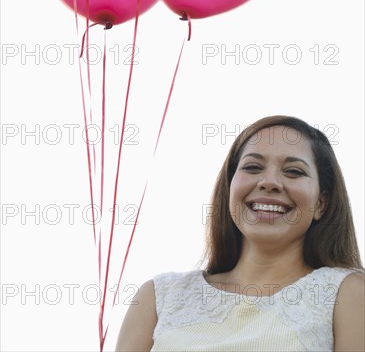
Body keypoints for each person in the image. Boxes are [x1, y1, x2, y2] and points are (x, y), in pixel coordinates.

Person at [115, 115, 365, 351]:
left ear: (321, 204)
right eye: (253, 167)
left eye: (293, 171)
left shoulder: (346, 293)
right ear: (230, 188)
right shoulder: (159, 296)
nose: (269, 182)